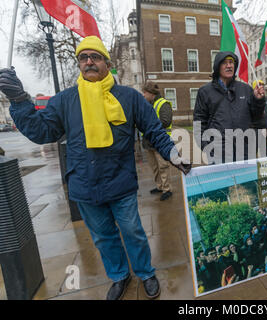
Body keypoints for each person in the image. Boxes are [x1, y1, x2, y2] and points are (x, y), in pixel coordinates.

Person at [0, 36, 191, 300]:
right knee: (103, 238)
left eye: (95, 57)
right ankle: (119, 276)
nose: (89, 61)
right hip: (84, 186)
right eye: (83, 57)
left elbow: (155, 130)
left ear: (107, 63)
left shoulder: (129, 98)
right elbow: (42, 131)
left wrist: (173, 154)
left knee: (133, 232)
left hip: (121, 183)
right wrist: (20, 100)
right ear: (79, 63)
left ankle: (145, 272)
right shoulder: (66, 100)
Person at [193, 51, 266, 164]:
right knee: (223, 182)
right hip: (218, 154)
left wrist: (258, 101)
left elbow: (258, 119)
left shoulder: (246, 89)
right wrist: (207, 147)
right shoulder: (205, 91)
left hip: (246, 152)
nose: (229, 66)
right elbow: (199, 122)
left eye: (231, 62)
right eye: (225, 63)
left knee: (247, 182)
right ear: (217, 66)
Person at [141, 81, 173, 201]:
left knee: (163, 167)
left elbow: (166, 121)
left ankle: (167, 189)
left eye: (144, 92)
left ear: (151, 93)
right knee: (155, 167)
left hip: (160, 143)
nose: (143, 95)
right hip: (149, 143)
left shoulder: (163, 104)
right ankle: (160, 186)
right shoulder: (148, 104)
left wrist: (148, 124)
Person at [250, 79, 267, 157]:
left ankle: (266, 166)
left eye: (262, 85)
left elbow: (266, 112)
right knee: (253, 152)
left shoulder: (265, 99)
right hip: (255, 130)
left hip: (265, 129)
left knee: (266, 152)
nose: (261, 87)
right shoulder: (251, 99)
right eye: (259, 85)